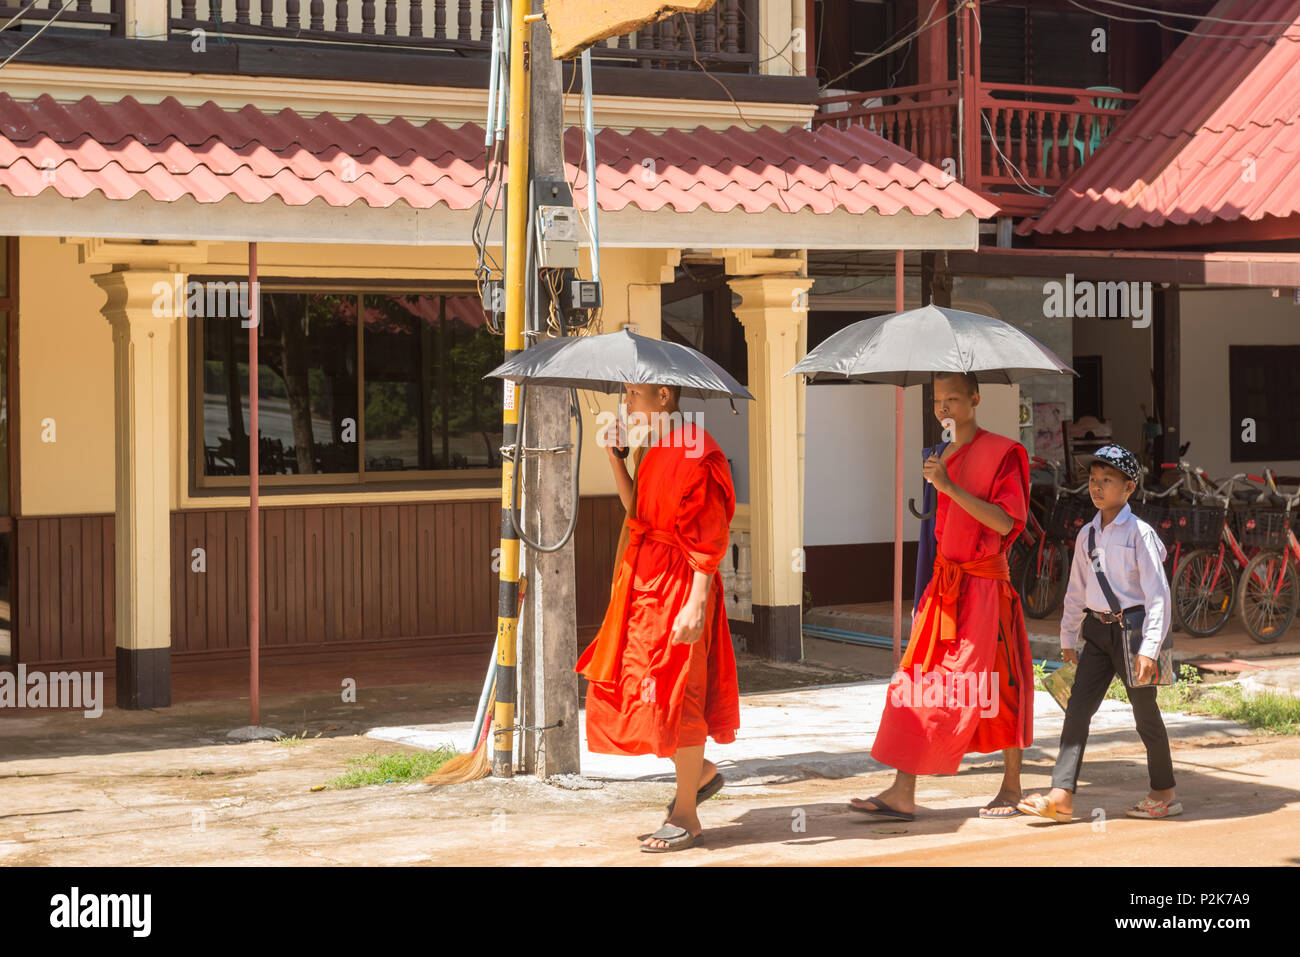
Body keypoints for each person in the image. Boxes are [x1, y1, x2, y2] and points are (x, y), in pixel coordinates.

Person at [850, 371, 1033, 821]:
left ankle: (1011, 787)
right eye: (937, 401)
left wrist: (949, 486)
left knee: (998, 684)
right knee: (917, 681)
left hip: (986, 587)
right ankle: (902, 790)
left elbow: (1005, 523)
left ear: (975, 399)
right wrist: (923, 593)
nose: (944, 408)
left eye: (953, 398)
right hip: (944, 587)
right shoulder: (938, 455)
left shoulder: (1003, 453)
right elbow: (935, 532)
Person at [577, 382, 740, 853]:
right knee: (647, 691)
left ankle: (686, 816)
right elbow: (637, 510)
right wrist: (616, 459)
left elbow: (709, 538)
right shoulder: (654, 448)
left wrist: (697, 602)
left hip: (681, 587)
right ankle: (702, 773)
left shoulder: (698, 452)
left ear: (664, 396)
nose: (626, 404)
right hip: (645, 585)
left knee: (680, 695)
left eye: (633, 395)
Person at [1018, 445, 1179, 823]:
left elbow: (1158, 595)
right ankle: (1062, 795)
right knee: (1077, 711)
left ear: (1129, 488)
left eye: (1107, 480)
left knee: (1145, 715)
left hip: (1134, 635)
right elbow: (1076, 590)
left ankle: (1164, 792)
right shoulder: (1086, 534)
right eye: (1093, 480)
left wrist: (1150, 649)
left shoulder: (1140, 534)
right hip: (1097, 633)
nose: (1097, 486)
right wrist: (1067, 637)